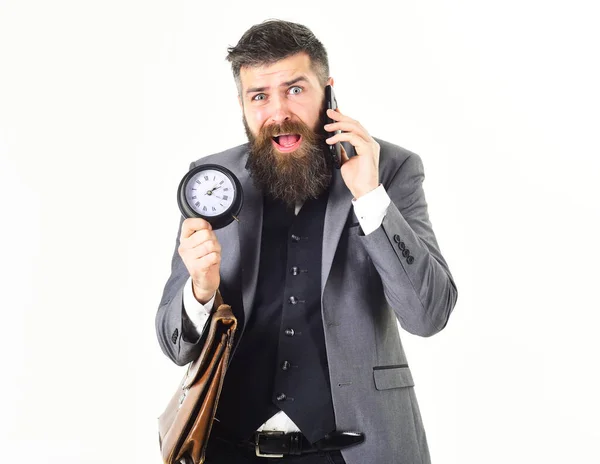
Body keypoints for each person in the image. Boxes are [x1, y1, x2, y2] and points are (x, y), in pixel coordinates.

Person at [156, 19, 458, 464]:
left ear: (328, 91)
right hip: (228, 451)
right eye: (259, 96)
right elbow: (174, 344)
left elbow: (429, 315)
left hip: (353, 451)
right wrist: (199, 290)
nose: (278, 112)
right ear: (242, 104)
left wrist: (370, 197)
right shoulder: (212, 181)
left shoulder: (390, 168)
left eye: (295, 89)